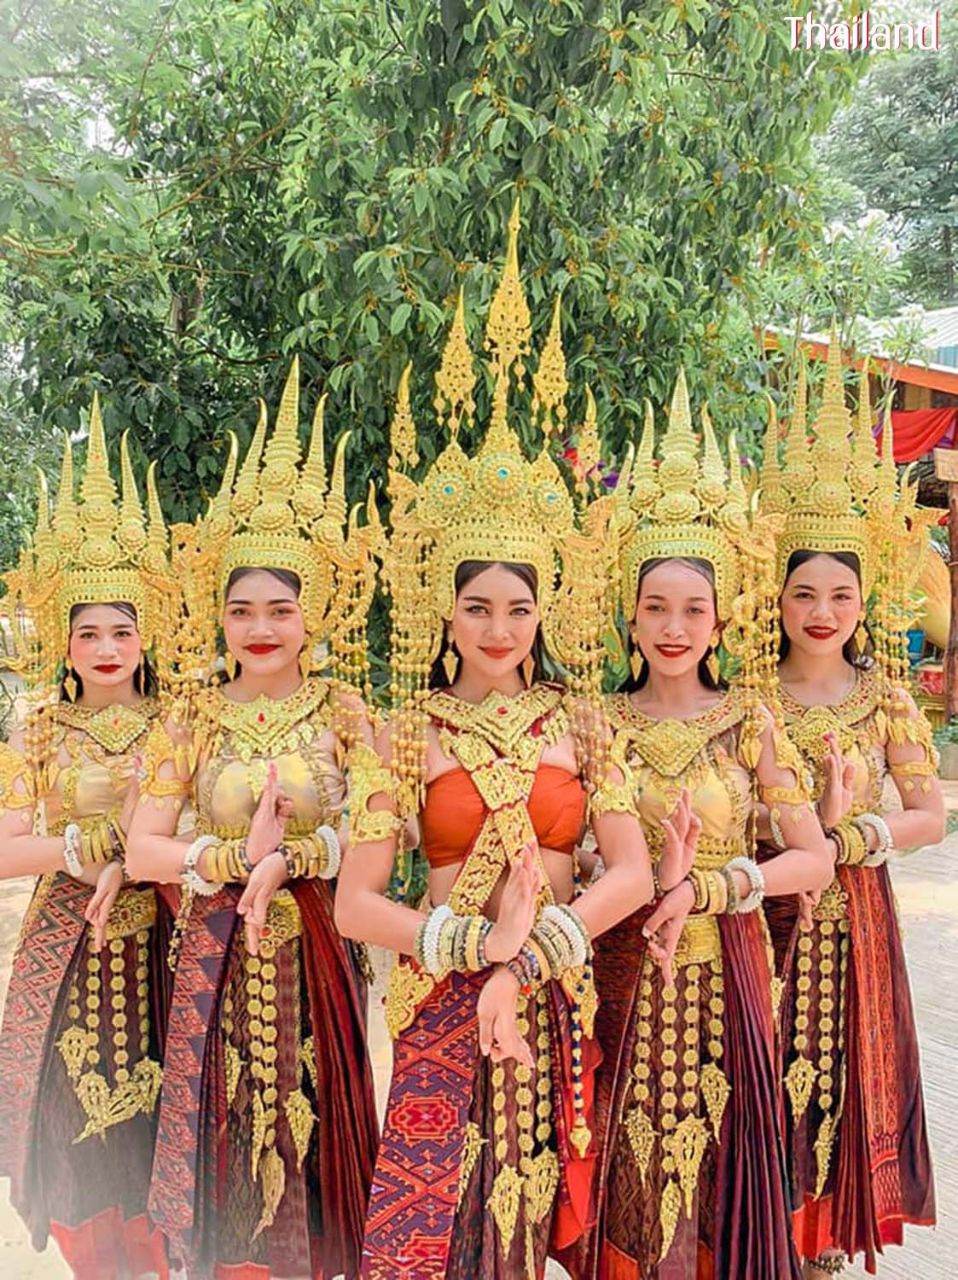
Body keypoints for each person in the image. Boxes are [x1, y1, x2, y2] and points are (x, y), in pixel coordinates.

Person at [335, 205, 655, 1280]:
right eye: (476, 606)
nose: (498, 627)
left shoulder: (584, 721)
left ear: (545, 610)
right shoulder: (400, 728)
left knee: (536, 1215)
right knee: (434, 1224)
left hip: (563, 980)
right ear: (441, 609)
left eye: (518, 607)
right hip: (438, 994)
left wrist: (536, 946)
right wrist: (476, 951)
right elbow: (356, 902)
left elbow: (633, 867)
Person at [126, 361, 379, 1279]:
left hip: (317, 946)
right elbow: (144, 841)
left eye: (280, 608)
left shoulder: (349, 713)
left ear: (314, 616)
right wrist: (236, 855)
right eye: (241, 610)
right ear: (219, 619)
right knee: (222, 1121)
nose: (260, 626)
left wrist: (302, 853)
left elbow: (381, 846)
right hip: (216, 952)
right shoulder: (190, 715)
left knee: (316, 1123)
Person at [577, 375, 834, 1280]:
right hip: (621, 971)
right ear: (629, 616)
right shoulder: (596, 722)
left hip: (730, 972)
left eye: (693, 609)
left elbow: (813, 858)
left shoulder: (751, 721)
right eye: (655, 607)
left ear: (723, 618)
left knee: (724, 1155)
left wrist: (714, 885)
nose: (673, 626)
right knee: (623, 1158)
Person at [759, 347, 942, 1278]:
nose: (821, 609)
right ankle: (762, 1234)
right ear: (775, 601)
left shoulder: (887, 698)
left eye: (840, 593)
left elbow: (929, 815)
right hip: (766, 916)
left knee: (841, 1079)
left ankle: (824, 1245)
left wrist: (854, 835)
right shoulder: (747, 698)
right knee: (757, 1076)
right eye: (803, 593)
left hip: (857, 922)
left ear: (865, 600)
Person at [0, 401, 175, 1279]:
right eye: (88, 632)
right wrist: (83, 848)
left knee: (167, 1141)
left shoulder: (183, 724)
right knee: (74, 1138)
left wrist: (133, 855)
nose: (106, 647)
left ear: (147, 640)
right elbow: (3, 848)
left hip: (168, 951)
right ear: (64, 647)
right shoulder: (39, 732)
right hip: (66, 951)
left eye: (122, 630)